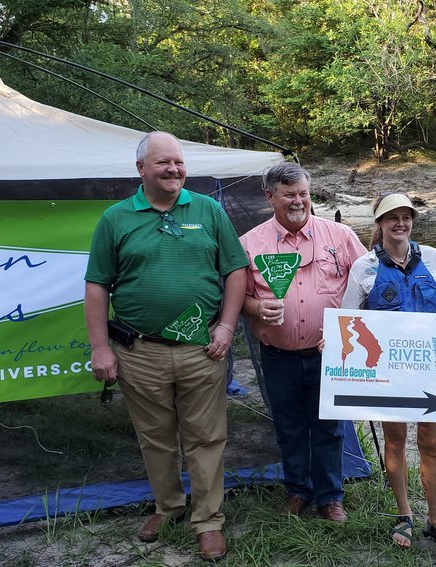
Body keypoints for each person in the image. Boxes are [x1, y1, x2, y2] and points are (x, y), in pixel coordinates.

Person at [84, 131, 247, 561]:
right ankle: (168, 506)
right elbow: (98, 286)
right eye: (163, 163)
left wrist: (227, 328)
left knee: (207, 437)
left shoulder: (209, 210)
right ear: (141, 170)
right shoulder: (115, 219)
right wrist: (100, 348)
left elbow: (235, 272)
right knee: (155, 438)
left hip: (202, 348)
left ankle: (208, 521)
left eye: (178, 161)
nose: (174, 169)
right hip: (141, 352)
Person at [240, 162, 367, 522]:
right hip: (278, 355)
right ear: (270, 197)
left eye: (304, 194)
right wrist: (257, 307)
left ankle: (330, 497)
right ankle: (298, 490)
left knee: (329, 426)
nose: (298, 201)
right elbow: (238, 297)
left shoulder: (340, 236)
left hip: (332, 354)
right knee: (289, 426)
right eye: (289, 194)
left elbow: (368, 281)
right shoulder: (250, 244)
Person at [340, 193, 436, 549]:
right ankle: (404, 514)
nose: (400, 223)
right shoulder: (364, 268)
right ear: (378, 223)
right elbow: (350, 319)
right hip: (389, 372)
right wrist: (334, 343)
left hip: (431, 370)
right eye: (391, 217)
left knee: (433, 444)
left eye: (406, 216)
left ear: (412, 221)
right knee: (395, 441)